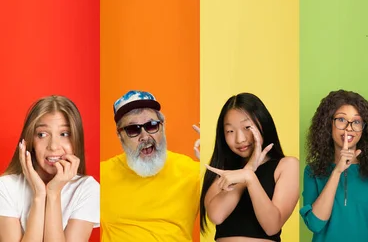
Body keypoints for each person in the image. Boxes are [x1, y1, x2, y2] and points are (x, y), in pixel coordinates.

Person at [100, 90, 200, 242]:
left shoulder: (192, 172)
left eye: (152, 125)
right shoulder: (101, 175)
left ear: (162, 127)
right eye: (133, 129)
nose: (145, 137)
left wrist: (217, 159)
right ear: (120, 135)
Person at [199, 92, 299, 242]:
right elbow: (217, 215)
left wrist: (250, 178)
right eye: (230, 131)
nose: (240, 139)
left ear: (263, 123)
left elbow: (272, 226)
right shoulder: (221, 170)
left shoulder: (287, 166)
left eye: (247, 127)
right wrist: (247, 171)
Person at [301, 90, 368, 241]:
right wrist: (337, 172)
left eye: (357, 122)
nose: (349, 128)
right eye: (341, 120)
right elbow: (315, 224)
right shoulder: (312, 171)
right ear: (328, 124)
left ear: (364, 128)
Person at [0, 95, 100, 241]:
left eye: (64, 134)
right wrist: (39, 196)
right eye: (42, 134)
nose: (53, 146)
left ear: (76, 139)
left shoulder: (87, 189)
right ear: (30, 141)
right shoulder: (5, 187)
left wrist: (53, 193)